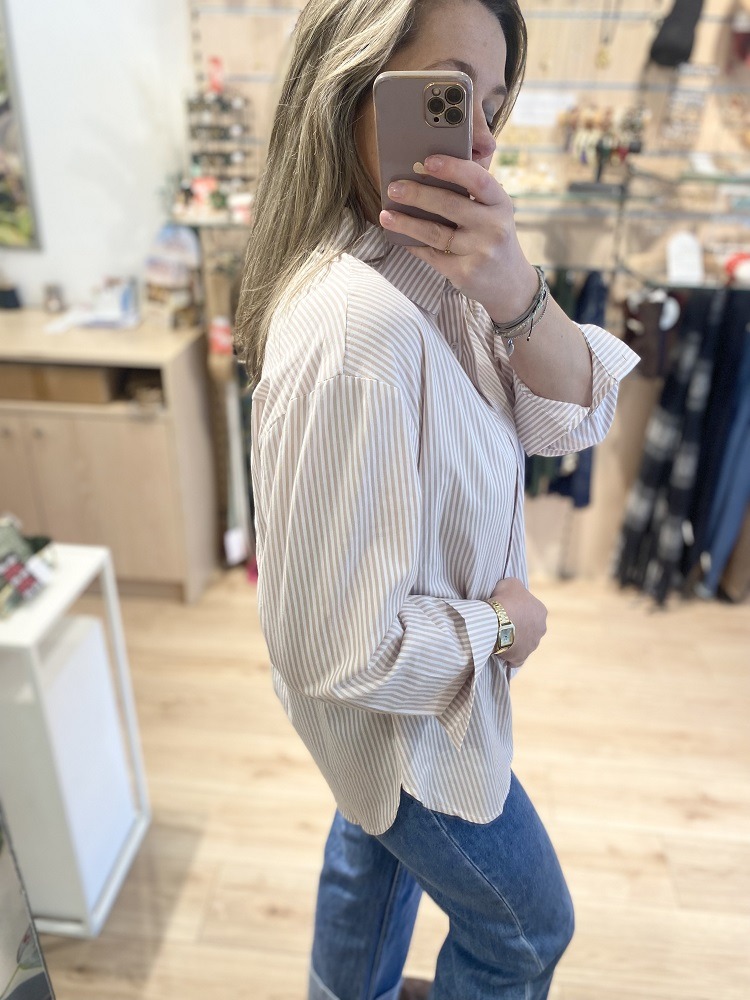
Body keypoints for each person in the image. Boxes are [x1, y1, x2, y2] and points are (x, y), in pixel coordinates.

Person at [235, 1, 639, 998]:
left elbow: (572, 419)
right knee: (525, 932)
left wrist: (515, 292)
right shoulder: (358, 329)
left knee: (371, 852)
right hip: (414, 715)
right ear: (348, 90)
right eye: (448, 97)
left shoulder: (437, 269)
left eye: (489, 106)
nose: (484, 140)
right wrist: (500, 627)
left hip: (396, 716)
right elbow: (330, 647)